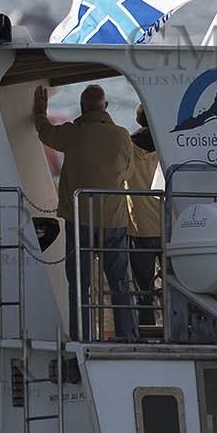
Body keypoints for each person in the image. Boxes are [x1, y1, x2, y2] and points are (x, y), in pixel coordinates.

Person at [33, 83, 138, 341]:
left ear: (81, 107)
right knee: (119, 283)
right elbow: (129, 173)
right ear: (106, 107)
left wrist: (39, 112)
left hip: (79, 219)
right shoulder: (122, 135)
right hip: (113, 219)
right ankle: (127, 335)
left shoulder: (73, 133)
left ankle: (82, 335)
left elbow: (45, 133)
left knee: (79, 285)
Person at [125, 104, 162, 330]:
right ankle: (180, 328)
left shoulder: (128, 147)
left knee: (143, 288)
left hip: (139, 226)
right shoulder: (168, 145)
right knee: (177, 284)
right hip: (170, 225)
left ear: (138, 121)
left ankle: (146, 329)